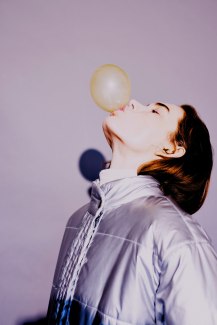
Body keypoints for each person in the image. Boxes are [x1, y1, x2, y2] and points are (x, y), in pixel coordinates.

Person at [47, 99, 217, 324]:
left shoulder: (175, 234)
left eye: (156, 111)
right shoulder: (77, 219)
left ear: (171, 148)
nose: (134, 102)